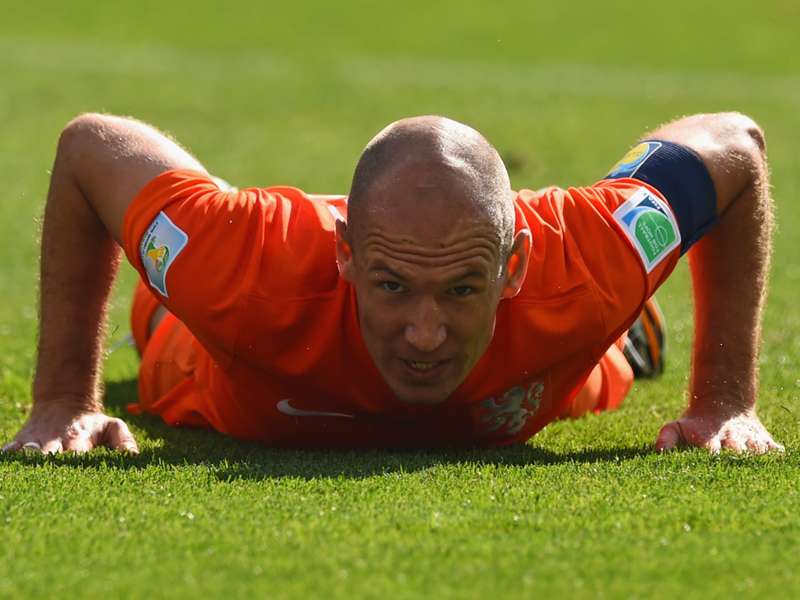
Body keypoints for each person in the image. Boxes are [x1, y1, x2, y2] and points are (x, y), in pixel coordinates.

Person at [1, 111, 783, 454]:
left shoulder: (579, 263)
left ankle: (627, 339)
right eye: (394, 286)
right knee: (169, 313)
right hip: (200, 348)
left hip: (558, 355)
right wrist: (67, 400)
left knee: (596, 348)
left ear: (513, 266)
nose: (426, 334)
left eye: (463, 290)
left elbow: (734, 148)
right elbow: (90, 149)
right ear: (344, 256)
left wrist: (724, 401)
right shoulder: (243, 265)